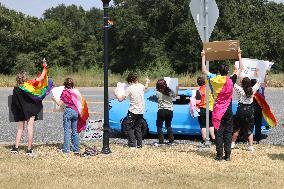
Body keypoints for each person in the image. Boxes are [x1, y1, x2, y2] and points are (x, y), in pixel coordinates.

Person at [201, 48, 242, 161]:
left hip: (217, 111)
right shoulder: (231, 80)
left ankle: (219, 155)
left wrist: (203, 56)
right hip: (228, 110)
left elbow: (204, 69)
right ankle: (227, 156)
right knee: (228, 132)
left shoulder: (214, 79)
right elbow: (240, 69)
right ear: (227, 71)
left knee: (218, 133)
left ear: (218, 71)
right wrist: (239, 55)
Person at [10, 60, 53, 156]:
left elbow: (14, 102)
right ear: (25, 78)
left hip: (21, 111)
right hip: (31, 110)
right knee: (30, 128)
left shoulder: (16, 89)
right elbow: (41, 78)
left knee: (20, 129)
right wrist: (45, 67)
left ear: (17, 80)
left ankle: (16, 148)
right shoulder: (30, 85)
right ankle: (29, 150)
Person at [52, 78, 89, 155]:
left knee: (67, 131)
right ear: (72, 84)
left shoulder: (65, 92)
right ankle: (76, 149)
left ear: (65, 85)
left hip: (68, 111)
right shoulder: (75, 92)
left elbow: (59, 103)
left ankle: (66, 150)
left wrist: (54, 99)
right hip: (75, 112)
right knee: (75, 131)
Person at [116, 73, 150, 148]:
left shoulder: (130, 88)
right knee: (138, 128)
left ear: (130, 81)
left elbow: (120, 99)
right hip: (141, 111)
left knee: (128, 128)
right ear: (136, 79)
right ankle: (139, 144)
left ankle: (132, 144)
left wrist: (116, 93)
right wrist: (147, 81)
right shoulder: (141, 86)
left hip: (133, 111)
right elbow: (146, 88)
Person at [231, 77, 260, 151]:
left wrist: (237, 73)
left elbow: (232, 82)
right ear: (250, 83)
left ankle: (232, 143)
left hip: (241, 110)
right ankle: (250, 146)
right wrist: (258, 74)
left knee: (237, 128)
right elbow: (259, 82)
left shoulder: (240, 90)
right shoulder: (253, 89)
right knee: (249, 129)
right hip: (250, 110)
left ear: (242, 84)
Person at [155, 79, 176, 145]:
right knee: (168, 125)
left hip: (161, 110)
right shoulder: (170, 91)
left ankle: (161, 141)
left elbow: (157, 99)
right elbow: (175, 95)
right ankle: (171, 141)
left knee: (159, 126)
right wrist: (168, 88)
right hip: (170, 110)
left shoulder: (157, 92)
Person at [195, 76, 215, 145]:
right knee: (211, 124)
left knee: (203, 125)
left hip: (203, 109)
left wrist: (193, 100)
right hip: (210, 109)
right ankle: (213, 139)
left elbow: (198, 102)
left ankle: (205, 140)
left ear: (198, 83)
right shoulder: (209, 89)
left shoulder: (199, 91)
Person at [251, 71, 268, 143]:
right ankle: (257, 139)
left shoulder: (250, 89)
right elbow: (265, 82)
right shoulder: (261, 88)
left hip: (251, 107)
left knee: (250, 124)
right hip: (259, 107)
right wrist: (266, 73)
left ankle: (249, 139)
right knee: (258, 124)